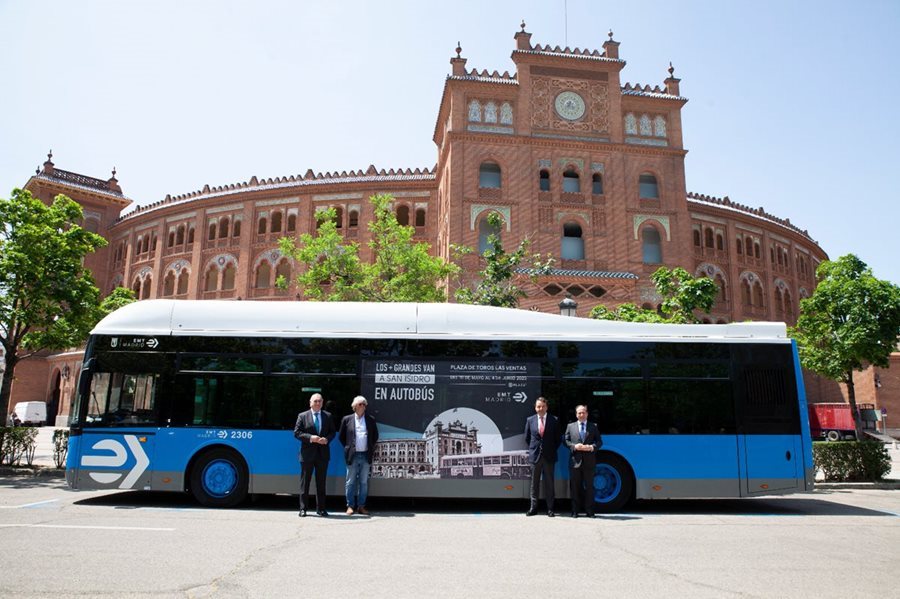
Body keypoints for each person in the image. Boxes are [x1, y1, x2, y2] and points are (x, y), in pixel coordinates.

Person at [293, 393, 336, 517]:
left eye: (320, 401)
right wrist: (311, 438)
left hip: (323, 454)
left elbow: (332, 432)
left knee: (321, 483)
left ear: (322, 403)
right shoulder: (302, 416)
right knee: (305, 483)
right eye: (315, 401)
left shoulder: (328, 416)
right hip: (307, 455)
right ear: (310, 403)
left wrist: (327, 439)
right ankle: (303, 509)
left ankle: (321, 509)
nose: (317, 403)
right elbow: (297, 433)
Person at [338, 395, 379, 516]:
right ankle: (350, 506)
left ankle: (361, 506)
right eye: (361, 404)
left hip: (365, 455)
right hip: (353, 455)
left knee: (364, 482)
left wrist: (369, 446)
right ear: (355, 406)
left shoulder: (370, 419)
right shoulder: (347, 419)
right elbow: (341, 437)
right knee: (350, 481)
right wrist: (348, 448)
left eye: (364, 404)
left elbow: (375, 436)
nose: (363, 406)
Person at [524, 396, 562, 517]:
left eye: (543, 406)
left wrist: (549, 449)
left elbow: (558, 439)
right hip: (535, 456)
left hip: (549, 456)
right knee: (534, 484)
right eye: (538, 406)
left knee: (549, 483)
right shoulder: (530, 420)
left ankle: (550, 509)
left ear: (546, 407)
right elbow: (527, 438)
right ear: (535, 408)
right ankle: (533, 508)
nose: (540, 408)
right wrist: (535, 449)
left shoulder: (554, 420)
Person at [565, 404, 602, 518]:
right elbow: (565, 441)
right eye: (579, 413)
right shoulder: (570, 426)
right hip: (575, 462)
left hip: (589, 462)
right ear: (576, 415)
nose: (581, 414)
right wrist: (575, 446)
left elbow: (599, 442)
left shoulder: (593, 426)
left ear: (587, 414)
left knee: (590, 487)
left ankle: (590, 511)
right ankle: (575, 511)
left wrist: (591, 447)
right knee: (575, 488)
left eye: (583, 412)